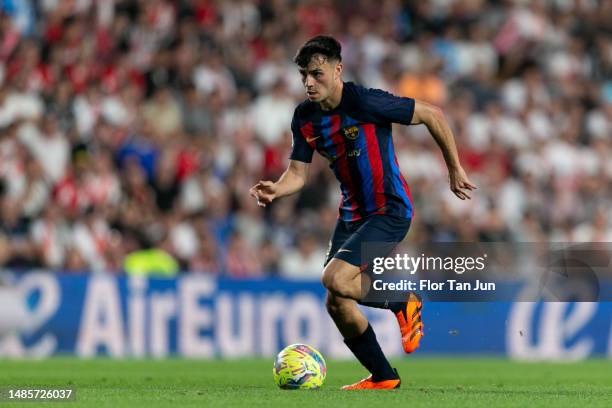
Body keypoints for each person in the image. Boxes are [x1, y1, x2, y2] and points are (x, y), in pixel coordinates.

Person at [249, 36, 476, 390]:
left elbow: (433, 114)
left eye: (317, 74)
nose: (309, 82)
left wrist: (454, 169)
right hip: (352, 215)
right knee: (337, 301)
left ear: (337, 70)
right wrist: (277, 188)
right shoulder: (304, 118)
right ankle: (384, 377)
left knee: (335, 279)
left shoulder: (365, 101)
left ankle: (403, 301)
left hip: (389, 210)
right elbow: (297, 173)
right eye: (304, 76)